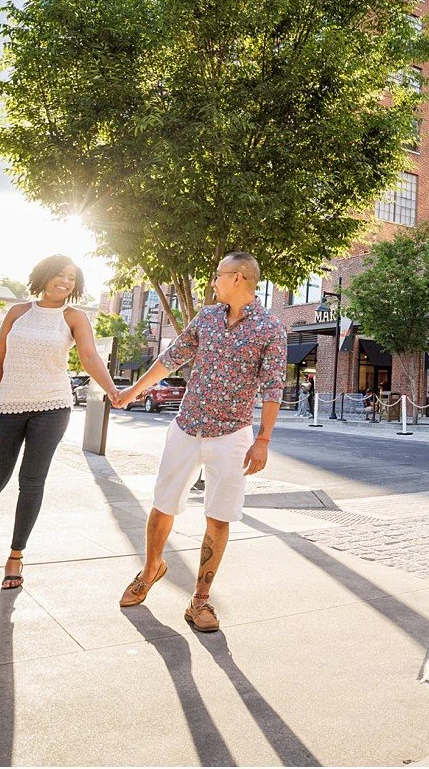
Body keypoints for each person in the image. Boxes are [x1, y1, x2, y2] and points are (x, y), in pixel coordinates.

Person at [113, 252, 286, 632]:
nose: (213, 281)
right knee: (163, 503)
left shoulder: (271, 327)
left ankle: (201, 600)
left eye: (218, 275)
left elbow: (274, 385)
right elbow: (170, 359)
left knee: (219, 515)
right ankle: (150, 569)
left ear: (239, 278)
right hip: (186, 427)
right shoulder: (207, 318)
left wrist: (263, 439)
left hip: (232, 435)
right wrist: (132, 391)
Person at [0, 255, 118, 589]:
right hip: (7, 406)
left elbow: (90, 356)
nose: (65, 282)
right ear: (44, 276)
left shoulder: (74, 317)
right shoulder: (18, 312)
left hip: (52, 407)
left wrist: (111, 390)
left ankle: (16, 555)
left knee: (32, 482)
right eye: (60, 275)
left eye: (71, 278)